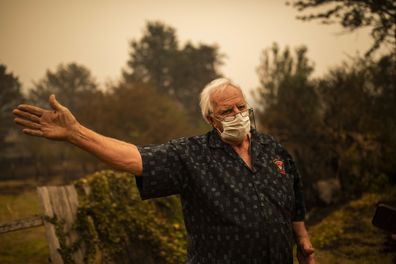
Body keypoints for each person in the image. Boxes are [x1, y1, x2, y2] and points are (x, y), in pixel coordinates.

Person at [13, 78, 315, 263]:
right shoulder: (191, 154)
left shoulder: (272, 149)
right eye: (227, 111)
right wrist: (76, 133)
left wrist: (302, 240)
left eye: (241, 107)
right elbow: (135, 158)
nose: (238, 115)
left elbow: (293, 195)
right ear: (211, 120)